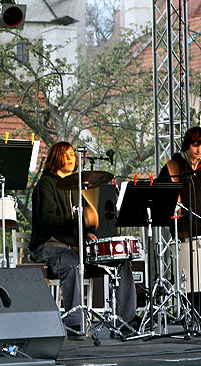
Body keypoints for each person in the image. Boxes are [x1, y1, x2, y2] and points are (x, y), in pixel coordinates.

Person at [29, 141, 137, 333]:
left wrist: (87, 230)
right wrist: (78, 220)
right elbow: (48, 221)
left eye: (73, 155)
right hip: (48, 244)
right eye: (66, 155)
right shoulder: (45, 185)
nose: (71, 159)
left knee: (121, 260)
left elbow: (80, 220)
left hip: (75, 244)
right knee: (71, 263)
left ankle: (126, 320)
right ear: (55, 158)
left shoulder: (75, 186)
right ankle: (75, 322)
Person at [158, 126, 201, 327]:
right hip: (181, 224)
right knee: (186, 270)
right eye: (195, 145)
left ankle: (197, 313)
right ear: (187, 144)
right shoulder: (174, 165)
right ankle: (187, 313)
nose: (199, 149)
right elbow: (162, 192)